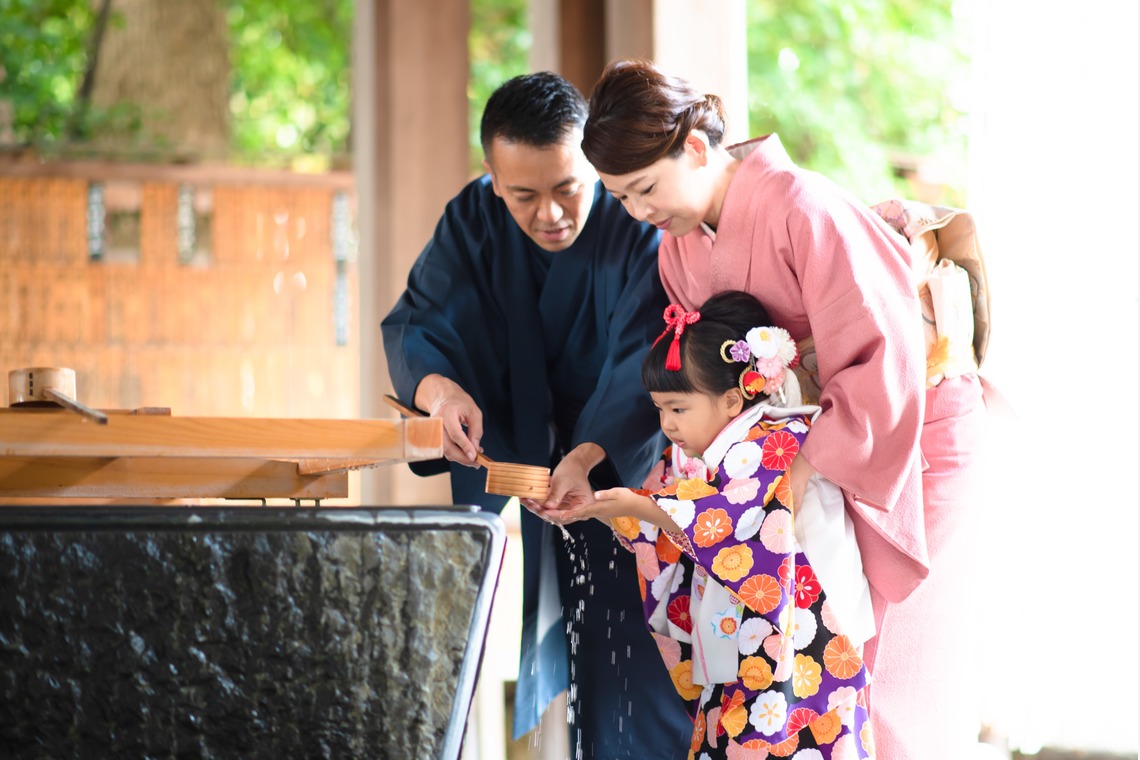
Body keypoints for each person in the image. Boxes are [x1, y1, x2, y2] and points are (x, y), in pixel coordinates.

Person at [578, 59, 989, 759]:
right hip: (800, 461)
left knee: (886, 672)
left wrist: (788, 480)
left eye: (646, 188)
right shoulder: (678, 250)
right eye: (621, 199)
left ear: (698, 148)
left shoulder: (802, 204)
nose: (641, 212)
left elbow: (878, 356)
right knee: (813, 663)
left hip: (902, 436)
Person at [380, 71, 692, 757]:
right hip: (517, 446)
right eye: (524, 195)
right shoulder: (472, 219)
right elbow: (420, 321)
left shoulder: (632, 220)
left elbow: (647, 352)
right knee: (519, 646)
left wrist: (587, 457)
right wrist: (439, 393)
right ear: (493, 180)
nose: (549, 213)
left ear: (590, 164)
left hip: (616, 463)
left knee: (628, 653)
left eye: (566, 188)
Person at [550, 290, 879, 758]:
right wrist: (605, 507)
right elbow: (667, 514)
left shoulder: (777, 438)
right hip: (747, 645)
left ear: (730, 399)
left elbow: (732, 518)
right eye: (660, 409)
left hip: (808, 641)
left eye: (678, 409)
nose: (667, 424)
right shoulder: (699, 457)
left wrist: (635, 506)